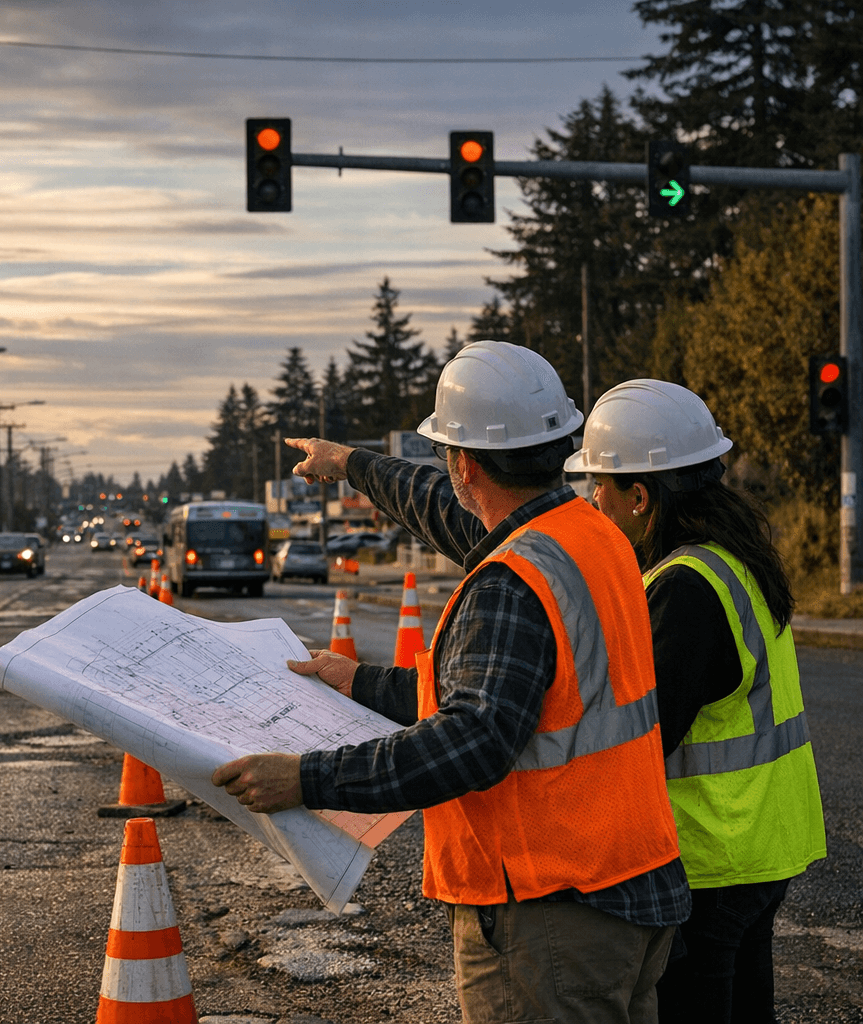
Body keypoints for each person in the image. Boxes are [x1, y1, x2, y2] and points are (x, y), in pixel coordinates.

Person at [212, 340, 690, 1024]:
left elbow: (475, 739)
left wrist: (306, 778)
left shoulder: (511, 581)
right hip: (630, 889)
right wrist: (361, 681)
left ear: (464, 463)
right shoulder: (591, 535)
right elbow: (523, 697)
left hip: (552, 912)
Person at [564, 379, 826, 1024]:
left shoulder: (685, 587)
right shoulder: (738, 560)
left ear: (642, 497)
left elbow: (643, 734)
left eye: (601, 486)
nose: (593, 501)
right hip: (765, 840)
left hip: (715, 853)